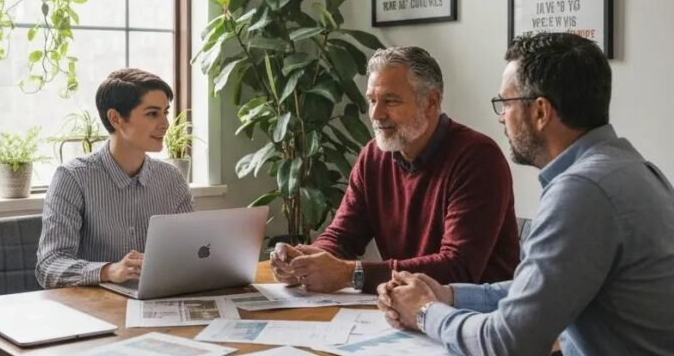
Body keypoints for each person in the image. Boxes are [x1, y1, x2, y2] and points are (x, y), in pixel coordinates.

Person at [378, 32, 674, 355]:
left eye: (506, 103)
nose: (502, 116)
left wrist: (424, 312)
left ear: (540, 112)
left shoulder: (581, 193)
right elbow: (537, 292)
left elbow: (508, 343)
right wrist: (449, 295)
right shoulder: (631, 169)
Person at [271, 46, 520, 294]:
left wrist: (351, 274)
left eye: (390, 101)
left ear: (431, 102)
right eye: (372, 100)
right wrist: (303, 261)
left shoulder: (477, 157)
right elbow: (341, 237)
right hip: (406, 309)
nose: (377, 114)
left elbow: (458, 267)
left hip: (478, 317)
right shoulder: (374, 156)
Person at [36, 68, 194, 288]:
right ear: (116, 118)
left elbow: (191, 252)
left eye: (165, 112)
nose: (165, 124)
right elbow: (50, 266)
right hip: (98, 311)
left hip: (161, 302)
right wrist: (109, 271)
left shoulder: (172, 179)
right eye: (152, 113)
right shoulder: (73, 178)